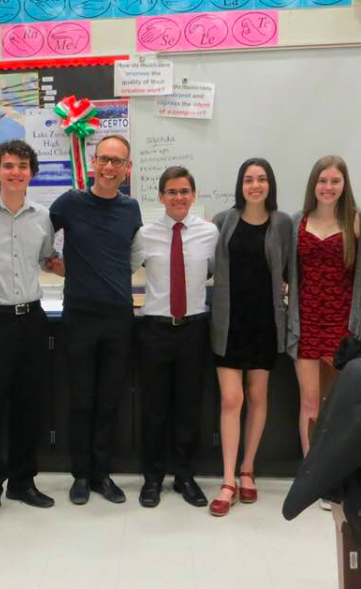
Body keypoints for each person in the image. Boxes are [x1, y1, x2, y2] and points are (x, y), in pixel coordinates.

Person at [50, 134, 142, 505]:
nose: (109, 167)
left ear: (127, 169)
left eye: (117, 161)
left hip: (119, 314)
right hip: (80, 315)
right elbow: (40, 237)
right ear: (93, 163)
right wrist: (53, 265)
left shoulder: (131, 209)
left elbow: (132, 255)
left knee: (109, 400)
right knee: (82, 399)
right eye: (104, 159)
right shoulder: (71, 202)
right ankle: (81, 475)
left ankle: (102, 474)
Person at [0, 140, 61, 525]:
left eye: (23, 166)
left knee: (30, 404)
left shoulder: (42, 217)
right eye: (8, 166)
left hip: (32, 319)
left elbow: (45, 259)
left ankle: (23, 482)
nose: (15, 172)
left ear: (31, 171)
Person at [131, 166, 218, 509]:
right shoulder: (145, 235)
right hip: (154, 328)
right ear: (161, 197)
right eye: (171, 191)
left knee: (188, 406)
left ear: (193, 195)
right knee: (154, 408)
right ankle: (152, 479)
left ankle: (184, 475)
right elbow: (123, 268)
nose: (178, 197)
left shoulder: (209, 232)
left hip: (194, 328)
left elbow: (215, 270)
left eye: (184, 191)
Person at [209, 158, 292, 517]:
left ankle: (247, 470)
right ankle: (227, 479)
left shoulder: (283, 223)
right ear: (240, 184)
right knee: (232, 399)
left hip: (265, 323)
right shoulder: (222, 221)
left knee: (258, 397)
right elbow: (207, 267)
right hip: (228, 323)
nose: (255, 185)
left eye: (261, 179)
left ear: (270, 184)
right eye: (248, 179)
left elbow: (290, 272)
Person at [286, 156, 361, 457]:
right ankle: (312, 476)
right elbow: (289, 273)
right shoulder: (298, 220)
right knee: (309, 402)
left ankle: (336, 476)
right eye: (322, 181)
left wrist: (356, 328)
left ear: (344, 184)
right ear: (314, 184)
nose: (328, 187)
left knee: (338, 405)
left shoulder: (359, 220)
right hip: (306, 322)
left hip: (342, 325)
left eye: (335, 181)